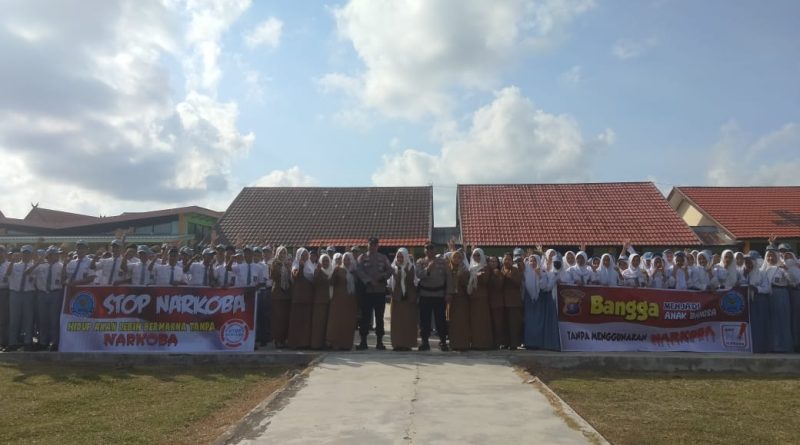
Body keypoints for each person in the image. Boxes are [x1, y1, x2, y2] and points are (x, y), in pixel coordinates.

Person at [355, 237, 392, 350]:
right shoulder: (362, 257)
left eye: (375, 245)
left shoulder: (383, 258)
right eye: (371, 244)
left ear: (377, 246)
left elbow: (390, 270)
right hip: (367, 292)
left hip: (380, 291)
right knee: (365, 318)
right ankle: (363, 342)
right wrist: (369, 280)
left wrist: (382, 277)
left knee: (379, 317)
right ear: (367, 245)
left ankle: (379, 342)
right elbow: (359, 270)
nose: (372, 246)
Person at [757, 248, 792, 352]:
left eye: (772, 256)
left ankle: (783, 346)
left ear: (777, 257)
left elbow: (792, 281)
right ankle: (772, 345)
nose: (770, 258)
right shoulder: (763, 270)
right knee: (770, 321)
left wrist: (786, 270)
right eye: (768, 256)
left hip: (780, 294)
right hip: (767, 296)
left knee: (782, 319)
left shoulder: (781, 268)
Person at [416, 243, 449, 351]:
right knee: (424, 320)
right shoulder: (420, 262)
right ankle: (425, 342)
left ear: (435, 250)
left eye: (431, 249)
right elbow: (418, 275)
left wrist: (448, 293)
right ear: (424, 251)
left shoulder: (443, 262)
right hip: (425, 294)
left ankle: (443, 341)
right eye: (427, 249)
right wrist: (428, 269)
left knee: (440, 319)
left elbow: (448, 278)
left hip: (439, 295)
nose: (429, 251)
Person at [30, 247, 63, 351]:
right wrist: (37, 262)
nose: (56, 256)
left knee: (54, 320)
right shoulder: (41, 266)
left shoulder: (61, 266)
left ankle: (55, 342)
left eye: (57, 254)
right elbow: (28, 272)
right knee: (42, 319)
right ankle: (43, 342)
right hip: (42, 294)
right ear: (48, 256)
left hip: (55, 293)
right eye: (53, 254)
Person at [5, 245, 36, 351]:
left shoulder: (34, 266)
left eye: (28, 253)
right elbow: (7, 274)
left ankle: (28, 342)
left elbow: (33, 280)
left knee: (28, 319)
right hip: (15, 294)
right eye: (24, 253)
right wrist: (12, 262)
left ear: (31, 255)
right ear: (21, 254)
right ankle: (12, 342)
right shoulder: (14, 265)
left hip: (28, 294)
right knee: (14, 319)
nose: (25, 255)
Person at [326, 252, 358, 350]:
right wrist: (334, 273)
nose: (346, 261)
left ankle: (346, 344)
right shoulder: (338, 269)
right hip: (338, 300)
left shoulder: (354, 271)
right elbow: (331, 282)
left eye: (348, 259)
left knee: (347, 322)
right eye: (345, 259)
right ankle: (336, 344)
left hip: (350, 301)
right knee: (337, 321)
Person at [389, 248, 418, 351]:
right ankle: (397, 343)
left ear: (406, 257)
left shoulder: (411, 267)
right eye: (398, 257)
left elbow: (413, 281)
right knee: (397, 322)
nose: (400, 259)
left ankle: (407, 344)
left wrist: (404, 270)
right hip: (397, 299)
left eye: (402, 257)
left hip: (408, 299)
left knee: (408, 321)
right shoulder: (393, 267)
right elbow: (390, 283)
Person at [287, 248, 314, 349]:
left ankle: (305, 342)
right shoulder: (296, 265)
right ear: (299, 256)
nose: (305, 257)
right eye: (303, 255)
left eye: (306, 255)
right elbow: (295, 276)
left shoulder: (310, 265)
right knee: (297, 320)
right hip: (298, 297)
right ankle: (295, 343)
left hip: (308, 297)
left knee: (306, 320)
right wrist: (301, 266)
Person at [467, 248, 493, 350]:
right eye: (474, 255)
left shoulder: (485, 267)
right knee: (474, 322)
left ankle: (484, 344)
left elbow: (485, 281)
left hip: (482, 297)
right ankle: (475, 343)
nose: (476, 257)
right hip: (473, 298)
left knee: (482, 321)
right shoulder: (471, 268)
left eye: (478, 255)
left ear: (482, 256)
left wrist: (479, 276)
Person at [446, 249, 470, 351]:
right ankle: (454, 343)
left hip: (462, 299)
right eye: (454, 257)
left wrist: (461, 275)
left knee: (462, 321)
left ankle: (463, 344)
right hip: (451, 299)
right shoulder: (448, 269)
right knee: (452, 321)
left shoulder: (464, 269)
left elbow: (467, 284)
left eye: (459, 257)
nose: (457, 259)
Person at [310, 253, 334, 350]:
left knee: (327, 324)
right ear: (320, 262)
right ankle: (316, 344)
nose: (325, 262)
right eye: (323, 261)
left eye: (327, 260)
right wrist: (318, 271)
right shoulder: (318, 271)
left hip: (330, 301)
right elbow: (314, 283)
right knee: (318, 323)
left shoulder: (332, 271)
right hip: (319, 301)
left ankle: (327, 343)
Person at [270, 246, 292, 349]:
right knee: (278, 319)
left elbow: (291, 278)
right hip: (278, 295)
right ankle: (277, 340)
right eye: (281, 253)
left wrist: (289, 268)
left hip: (287, 295)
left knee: (285, 319)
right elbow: (273, 276)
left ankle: (284, 339)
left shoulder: (288, 264)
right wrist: (282, 267)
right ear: (277, 254)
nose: (282, 255)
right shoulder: (274, 264)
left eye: (284, 253)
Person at [523, 255, 546, 349]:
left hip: (539, 300)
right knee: (529, 323)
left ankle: (538, 343)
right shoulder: (525, 272)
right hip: (529, 301)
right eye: (531, 261)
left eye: (535, 261)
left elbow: (544, 286)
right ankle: (529, 343)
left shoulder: (542, 271)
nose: (532, 263)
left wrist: (539, 275)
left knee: (538, 322)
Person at [501, 252, 523, 350]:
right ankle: (505, 343)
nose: (507, 261)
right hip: (503, 302)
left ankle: (514, 343)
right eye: (505, 259)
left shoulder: (515, 270)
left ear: (512, 260)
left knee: (514, 324)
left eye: (509, 259)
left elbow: (519, 283)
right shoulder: (501, 270)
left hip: (514, 302)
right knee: (505, 324)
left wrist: (510, 277)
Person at [782, 251, 800, 351]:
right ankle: (795, 343)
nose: (788, 259)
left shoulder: (797, 269)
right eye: (786, 257)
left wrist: (789, 270)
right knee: (792, 319)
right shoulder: (782, 269)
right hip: (787, 295)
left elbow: (797, 280)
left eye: (790, 257)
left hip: (797, 294)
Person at [0, 246, 10, 350]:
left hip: (5, 292)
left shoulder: (9, 265)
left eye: (1, 252)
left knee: (4, 319)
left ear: (5, 253)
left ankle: (4, 341)